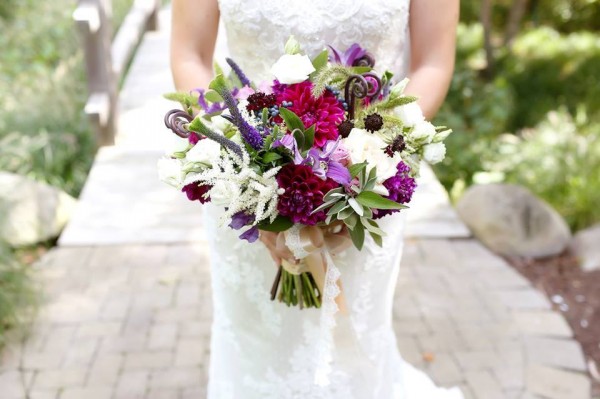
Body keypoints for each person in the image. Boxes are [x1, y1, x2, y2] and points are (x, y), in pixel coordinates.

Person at [170, 0, 462, 398]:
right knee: (257, 343)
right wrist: (244, 162)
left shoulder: (367, 169)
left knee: (354, 334)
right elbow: (190, 53)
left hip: (368, 183)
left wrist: (360, 160)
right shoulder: (247, 175)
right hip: (249, 184)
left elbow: (434, 62)